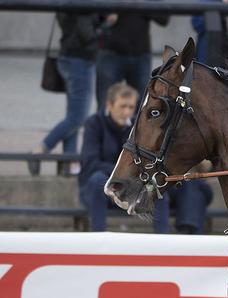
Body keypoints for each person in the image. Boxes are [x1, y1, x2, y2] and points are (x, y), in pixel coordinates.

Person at [79, 82, 170, 233]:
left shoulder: (138, 125)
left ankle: (164, 240)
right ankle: (98, 238)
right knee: (97, 179)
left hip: (131, 189)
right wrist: (123, 173)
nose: (127, 111)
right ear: (109, 104)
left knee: (154, 186)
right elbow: (90, 163)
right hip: (101, 189)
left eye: (131, 107)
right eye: (122, 106)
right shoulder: (94, 124)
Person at [30, 11, 103, 177]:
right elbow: (87, 34)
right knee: (77, 118)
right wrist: (105, 25)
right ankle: (39, 150)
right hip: (80, 60)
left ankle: (69, 164)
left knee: (73, 115)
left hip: (69, 56)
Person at [94, 7, 169, 114]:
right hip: (110, 52)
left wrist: (140, 4)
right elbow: (92, 13)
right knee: (106, 106)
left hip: (140, 54)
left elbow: (163, 18)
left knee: (141, 108)